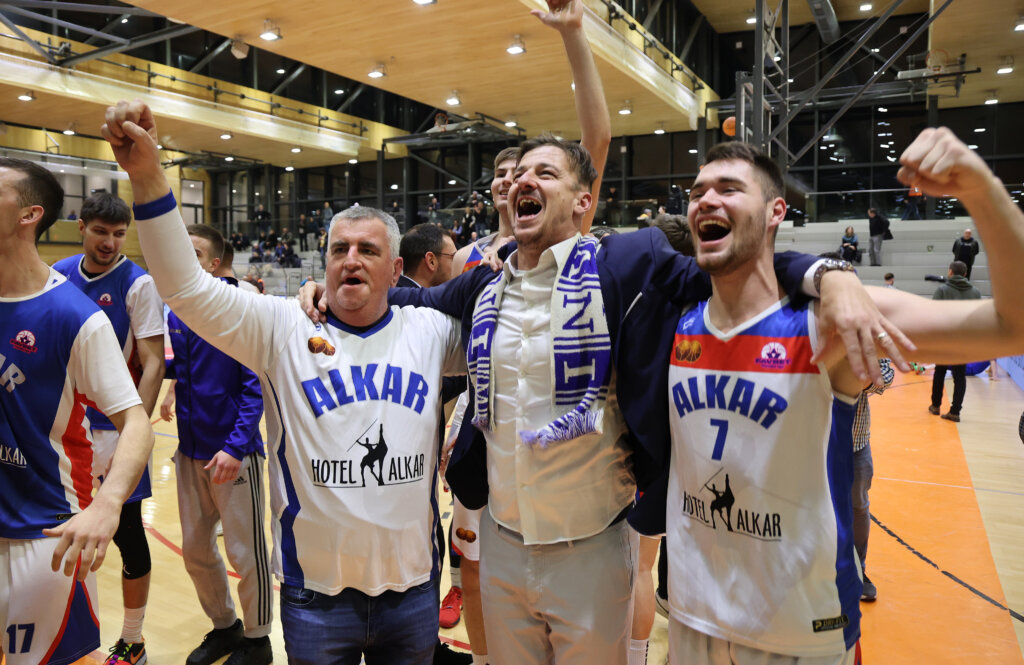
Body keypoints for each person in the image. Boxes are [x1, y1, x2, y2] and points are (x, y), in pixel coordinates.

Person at [103, 98, 466, 665]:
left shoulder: (433, 330)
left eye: (368, 251)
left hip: (413, 588)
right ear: (322, 263)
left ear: (396, 270)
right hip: (314, 594)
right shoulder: (280, 324)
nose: (351, 260)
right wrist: (148, 177)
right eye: (339, 249)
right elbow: (183, 288)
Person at [651, 128, 1024, 665]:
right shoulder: (677, 321)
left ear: (776, 210)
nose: (706, 198)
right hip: (693, 620)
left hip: (802, 634)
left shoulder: (827, 323)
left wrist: (982, 189)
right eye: (696, 191)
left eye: (730, 188)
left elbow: (1012, 325)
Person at [0, 157, 154, 665]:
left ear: (28, 215)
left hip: (41, 533)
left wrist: (108, 505)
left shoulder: (76, 315)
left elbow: (136, 422)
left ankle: (134, 636)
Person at [51, 191, 166, 665]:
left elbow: (154, 361)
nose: (110, 242)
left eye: (119, 234)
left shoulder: (137, 284)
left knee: (128, 535)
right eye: (101, 231)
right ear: (82, 227)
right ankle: (59, 628)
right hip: (60, 427)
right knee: (58, 526)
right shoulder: (56, 273)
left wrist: (134, 424)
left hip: (113, 429)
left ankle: (133, 638)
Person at [159, 224, 272, 665]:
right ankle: (225, 627)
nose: (184, 257)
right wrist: (171, 393)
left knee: (246, 552)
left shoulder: (243, 308)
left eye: (195, 252)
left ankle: (259, 639)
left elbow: (254, 387)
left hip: (234, 454)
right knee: (196, 550)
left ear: (212, 262)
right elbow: (185, 372)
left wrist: (236, 445)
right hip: (190, 452)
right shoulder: (178, 311)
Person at [852, 358, 893, 602]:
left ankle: (858, 570)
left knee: (858, 506)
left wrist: (860, 378)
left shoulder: (865, 327)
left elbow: (886, 374)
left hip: (856, 441)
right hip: (817, 440)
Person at [928, 260, 982, 422]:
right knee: (959, 376)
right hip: (964, 340)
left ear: (950, 272)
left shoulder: (942, 290)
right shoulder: (976, 293)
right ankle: (955, 411)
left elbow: (933, 315)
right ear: (965, 274)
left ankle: (936, 405)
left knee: (940, 372)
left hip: (945, 338)